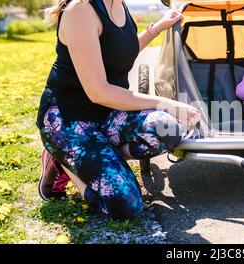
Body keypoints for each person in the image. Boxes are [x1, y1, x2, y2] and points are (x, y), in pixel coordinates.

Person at [36, 0, 200, 219]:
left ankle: (96, 157)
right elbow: (99, 92)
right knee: (127, 204)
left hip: (108, 113)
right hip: (69, 116)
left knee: (167, 129)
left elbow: (119, 53)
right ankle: (61, 162)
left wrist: (157, 28)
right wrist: (165, 102)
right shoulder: (80, 10)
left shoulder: (118, 3)